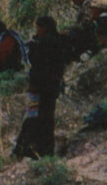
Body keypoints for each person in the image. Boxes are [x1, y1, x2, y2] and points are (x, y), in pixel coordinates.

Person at [16, 15, 70, 158]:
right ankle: (45, 151)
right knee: (47, 119)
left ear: (44, 28)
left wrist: (33, 45)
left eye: (38, 27)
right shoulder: (57, 42)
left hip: (40, 87)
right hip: (51, 87)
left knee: (34, 117)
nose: (37, 30)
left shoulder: (43, 44)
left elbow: (37, 63)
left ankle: (27, 149)